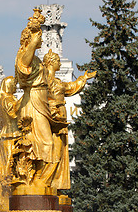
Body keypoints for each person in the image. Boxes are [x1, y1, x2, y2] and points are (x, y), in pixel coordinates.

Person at [14, 9, 58, 187]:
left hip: (40, 102)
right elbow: (24, 67)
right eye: (39, 36)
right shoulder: (24, 56)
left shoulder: (37, 61)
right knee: (44, 143)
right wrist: (34, 35)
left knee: (43, 144)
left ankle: (37, 181)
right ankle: (34, 182)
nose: (41, 39)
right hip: (32, 103)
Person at [43, 49, 96, 189]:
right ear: (51, 62)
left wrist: (83, 78)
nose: (60, 63)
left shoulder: (57, 82)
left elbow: (70, 88)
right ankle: (44, 181)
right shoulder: (42, 81)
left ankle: (52, 183)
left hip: (60, 118)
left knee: (59, 151)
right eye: (57, 61)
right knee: (53, 150)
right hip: (50, 118)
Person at [0, 76, 20, 212]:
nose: (16, 86)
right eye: (14, 84)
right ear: (9, 86)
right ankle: (6, 200)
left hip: (6, 138)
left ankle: (3, 199)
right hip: (11, 137)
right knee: (9, 168)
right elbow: (14, 114)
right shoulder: (8, 100)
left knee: (5, 167)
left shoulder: (2, 99)